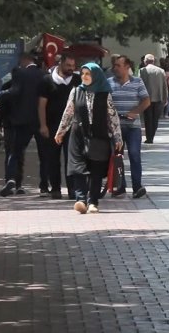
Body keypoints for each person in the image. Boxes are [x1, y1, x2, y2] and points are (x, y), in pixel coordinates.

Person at [55, 63, 122, 214]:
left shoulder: (105, 94)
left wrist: (118, 137)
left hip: (99, 135)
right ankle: (80, 200)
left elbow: (113, 118)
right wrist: (61, 131)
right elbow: (68, 113)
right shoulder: (76, 91)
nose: (84, 77)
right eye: (82, 73)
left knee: (96, 169)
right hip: (78, 134)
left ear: (95, 76)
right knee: (78, 167)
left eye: (88, 74)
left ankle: (93, 201)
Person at [0, 52, 48, 197]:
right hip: (40, 121)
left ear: (24, 60)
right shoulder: (45, 75)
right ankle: (44, 185)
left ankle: (11, 179)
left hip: (22, 120)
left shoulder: (20, 74)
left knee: (15, 152)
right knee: (44, 155)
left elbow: (15, 92)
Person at [38, 54, 79, 200]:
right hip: (52, 126)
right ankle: (55, 188)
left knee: (72, 158)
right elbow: (42, 104)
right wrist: (43, 125)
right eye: (68, 66)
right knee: (52, 158)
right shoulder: (47, 80)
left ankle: (72, 189)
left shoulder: (77, 80)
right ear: (60, 63)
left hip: (72, 126)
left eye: (73, 66)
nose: (71, 69)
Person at [108, 55, 150, 198]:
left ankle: (137, 186)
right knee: (117, 157)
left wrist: (135, 112)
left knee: (134, 154)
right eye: (114, 65)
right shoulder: (109, 83)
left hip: (133, 127)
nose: (115, 68)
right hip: (115, 127)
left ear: (127, 67)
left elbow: (146, 101)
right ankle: (120, 186)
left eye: (118, 65)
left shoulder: (137, 82)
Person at [139, 54, 168, 144]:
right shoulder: (161, 71)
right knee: (155, 119)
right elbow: (164, 85)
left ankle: (149, 137)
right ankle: (152, 135)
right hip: (158, 98)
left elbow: (139, 85)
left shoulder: (142, 70)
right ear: (153, 61)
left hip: (146, 98)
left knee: (148, 119)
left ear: (146, 61)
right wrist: (165, 97)